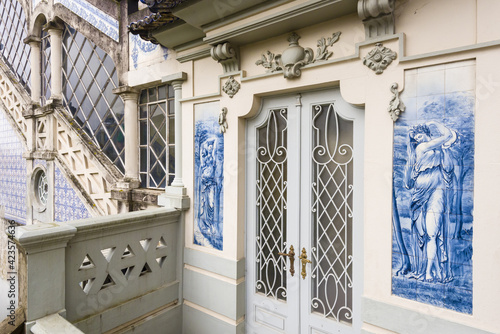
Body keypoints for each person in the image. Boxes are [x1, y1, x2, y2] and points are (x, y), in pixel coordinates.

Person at [403, 121, 456, 282]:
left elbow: (448, 168)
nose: (418, 140)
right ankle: (428, 270)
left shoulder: (439, 150)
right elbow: (447, 136)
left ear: (427, 133)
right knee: (422, 234)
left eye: (419, 135)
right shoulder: (421, 148)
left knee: (432, 233)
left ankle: (428, 272)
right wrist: (441, 137)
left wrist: (434, 123)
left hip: (437, 192)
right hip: (419, 196)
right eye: (415, 138)